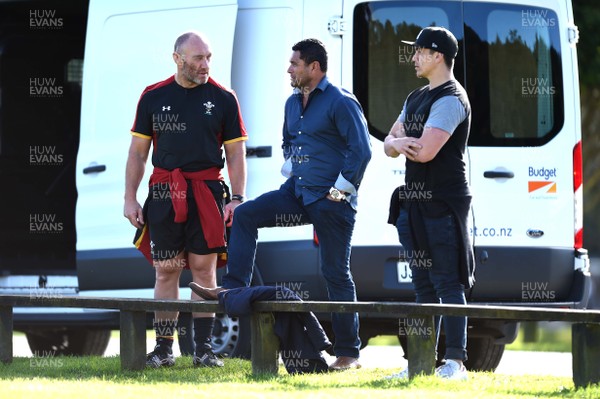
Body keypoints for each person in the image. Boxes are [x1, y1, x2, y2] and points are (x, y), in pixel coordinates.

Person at [190, 38, 372, 371]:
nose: (289, 68)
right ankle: (232, 291)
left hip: (332, 202)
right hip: (297, 193)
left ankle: (349, 354)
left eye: (295, 63)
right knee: (244, 215)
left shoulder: (341, 102)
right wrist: (295, 167)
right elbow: (289, 141)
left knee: (335, 273)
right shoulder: (292, 103)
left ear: (313, 67)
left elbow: (362, 150)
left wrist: (339, 190)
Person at [123, 31, 248, 368]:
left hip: (207, 191)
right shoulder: (152, 96)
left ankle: (203, 350)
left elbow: (236, 154)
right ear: (177, 58)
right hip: (164, 191)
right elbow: (138, 153)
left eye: (208, 57)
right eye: (198, 58)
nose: (205, 64)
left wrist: (237, 198)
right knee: (166, 270)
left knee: (204, 271)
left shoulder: (224, 98)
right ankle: (164, 349)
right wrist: (130, 198)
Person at [383, 27, 474, 380]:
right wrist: (400, 141)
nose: (414, 57)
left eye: (420, 51)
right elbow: (388, 143)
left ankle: (456, 362)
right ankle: (419, 362)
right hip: (413, 204)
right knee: (422, 285)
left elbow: (425, 152)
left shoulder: (452, 98)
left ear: (438, 56)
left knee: (448, 283)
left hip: (443, 202)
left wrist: (400, 142)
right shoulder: (416, 95)